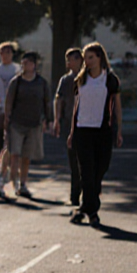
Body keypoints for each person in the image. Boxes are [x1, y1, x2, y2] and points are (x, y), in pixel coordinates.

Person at [67, 42, 123, 226]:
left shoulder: (110, 79)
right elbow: (76, 106)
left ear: (100, 57)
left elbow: (117, 106)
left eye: (91, 57)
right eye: (86, 58)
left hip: (103, 131)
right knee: (87, 173)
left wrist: (119, 130)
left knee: (99, 171)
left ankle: (84, 208)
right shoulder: (81, 79)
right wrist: (71, 132)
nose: (88, 61)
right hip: (83, 130)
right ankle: (92, 212)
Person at [1, 50, 51, 199]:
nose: (25, 66)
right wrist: (7, 119)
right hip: (17, 123)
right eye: (23, 63)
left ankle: (23, 184)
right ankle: (14, 182)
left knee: (26, 156)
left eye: (28, 63)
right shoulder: (16, 82)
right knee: (14, 154)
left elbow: (46, 102)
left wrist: (48, 119)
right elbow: (9, 102)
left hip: (34, 124)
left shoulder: (41, 83)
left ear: (34, 65)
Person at [54, 48, 84, 207]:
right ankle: (75, 196)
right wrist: (57, 119)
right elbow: (59, 99)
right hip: (69, 124)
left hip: (87, 123)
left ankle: (88, 192)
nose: (68, 63)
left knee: (86, 161)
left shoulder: (89, 77)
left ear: (79, 60)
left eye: (70, 59)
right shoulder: (66, 80)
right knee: (74, 161)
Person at [0, 42, 19, 197]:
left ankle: (14, 179)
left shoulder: (18, 70)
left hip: (16, 114)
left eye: (8, 52)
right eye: (2, 52)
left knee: (13, 148)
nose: (5, 55)